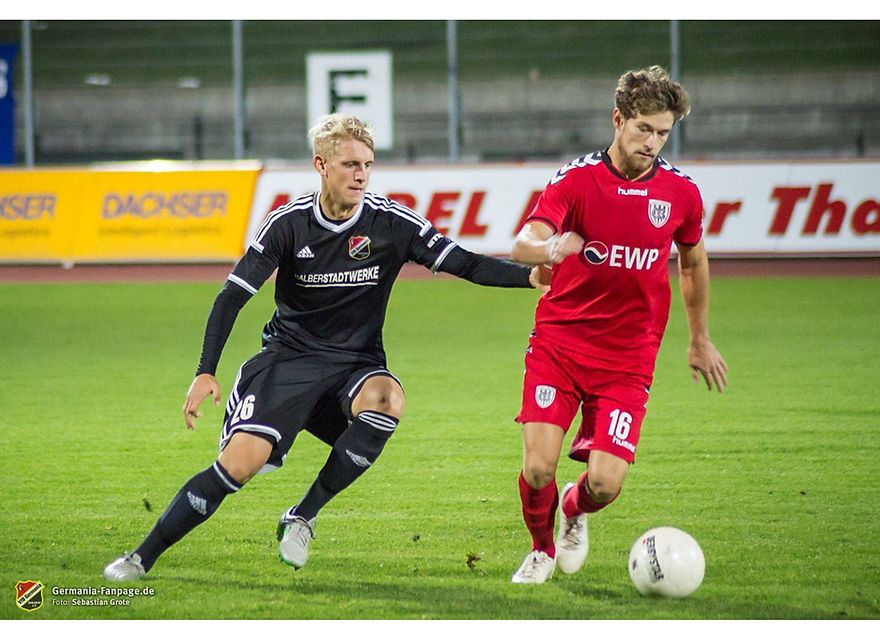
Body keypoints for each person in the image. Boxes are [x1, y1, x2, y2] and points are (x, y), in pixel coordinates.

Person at [104, 113, 543, 581]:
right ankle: (141, 557)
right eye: (350, 163)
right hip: (288, 362)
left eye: (368, 165)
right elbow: (232, 295)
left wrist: (532, 277)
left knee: (387, 397)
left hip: (353, 367)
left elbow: (467, 263)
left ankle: (303, 516)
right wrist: (205, 369)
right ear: (321, 165)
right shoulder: (288, 224)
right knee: (238, 467)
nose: (361, 174)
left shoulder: (391, 222)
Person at [508, 66, 728, 584]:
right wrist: (549, 248)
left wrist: (698, 339)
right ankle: (541, 551)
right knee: (538, 465)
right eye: (644, 129)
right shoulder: (577, 180)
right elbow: (522, 244)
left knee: (605, 483)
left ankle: (573, 509)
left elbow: (693, 262)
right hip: (560, 343)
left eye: (663, 133)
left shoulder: (681, 193)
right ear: (618, 119)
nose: (653, 142)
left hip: (628, 358)